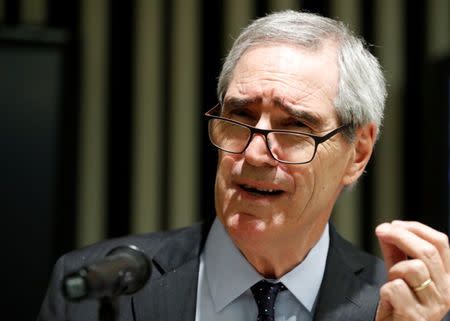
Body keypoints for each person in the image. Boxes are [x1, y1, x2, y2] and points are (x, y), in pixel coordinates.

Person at [37, 10, 450, 321]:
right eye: (240, 117)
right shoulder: (94, 289)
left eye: (294, 127)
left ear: (357, 153)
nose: (253, 154)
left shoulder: (403, 305)